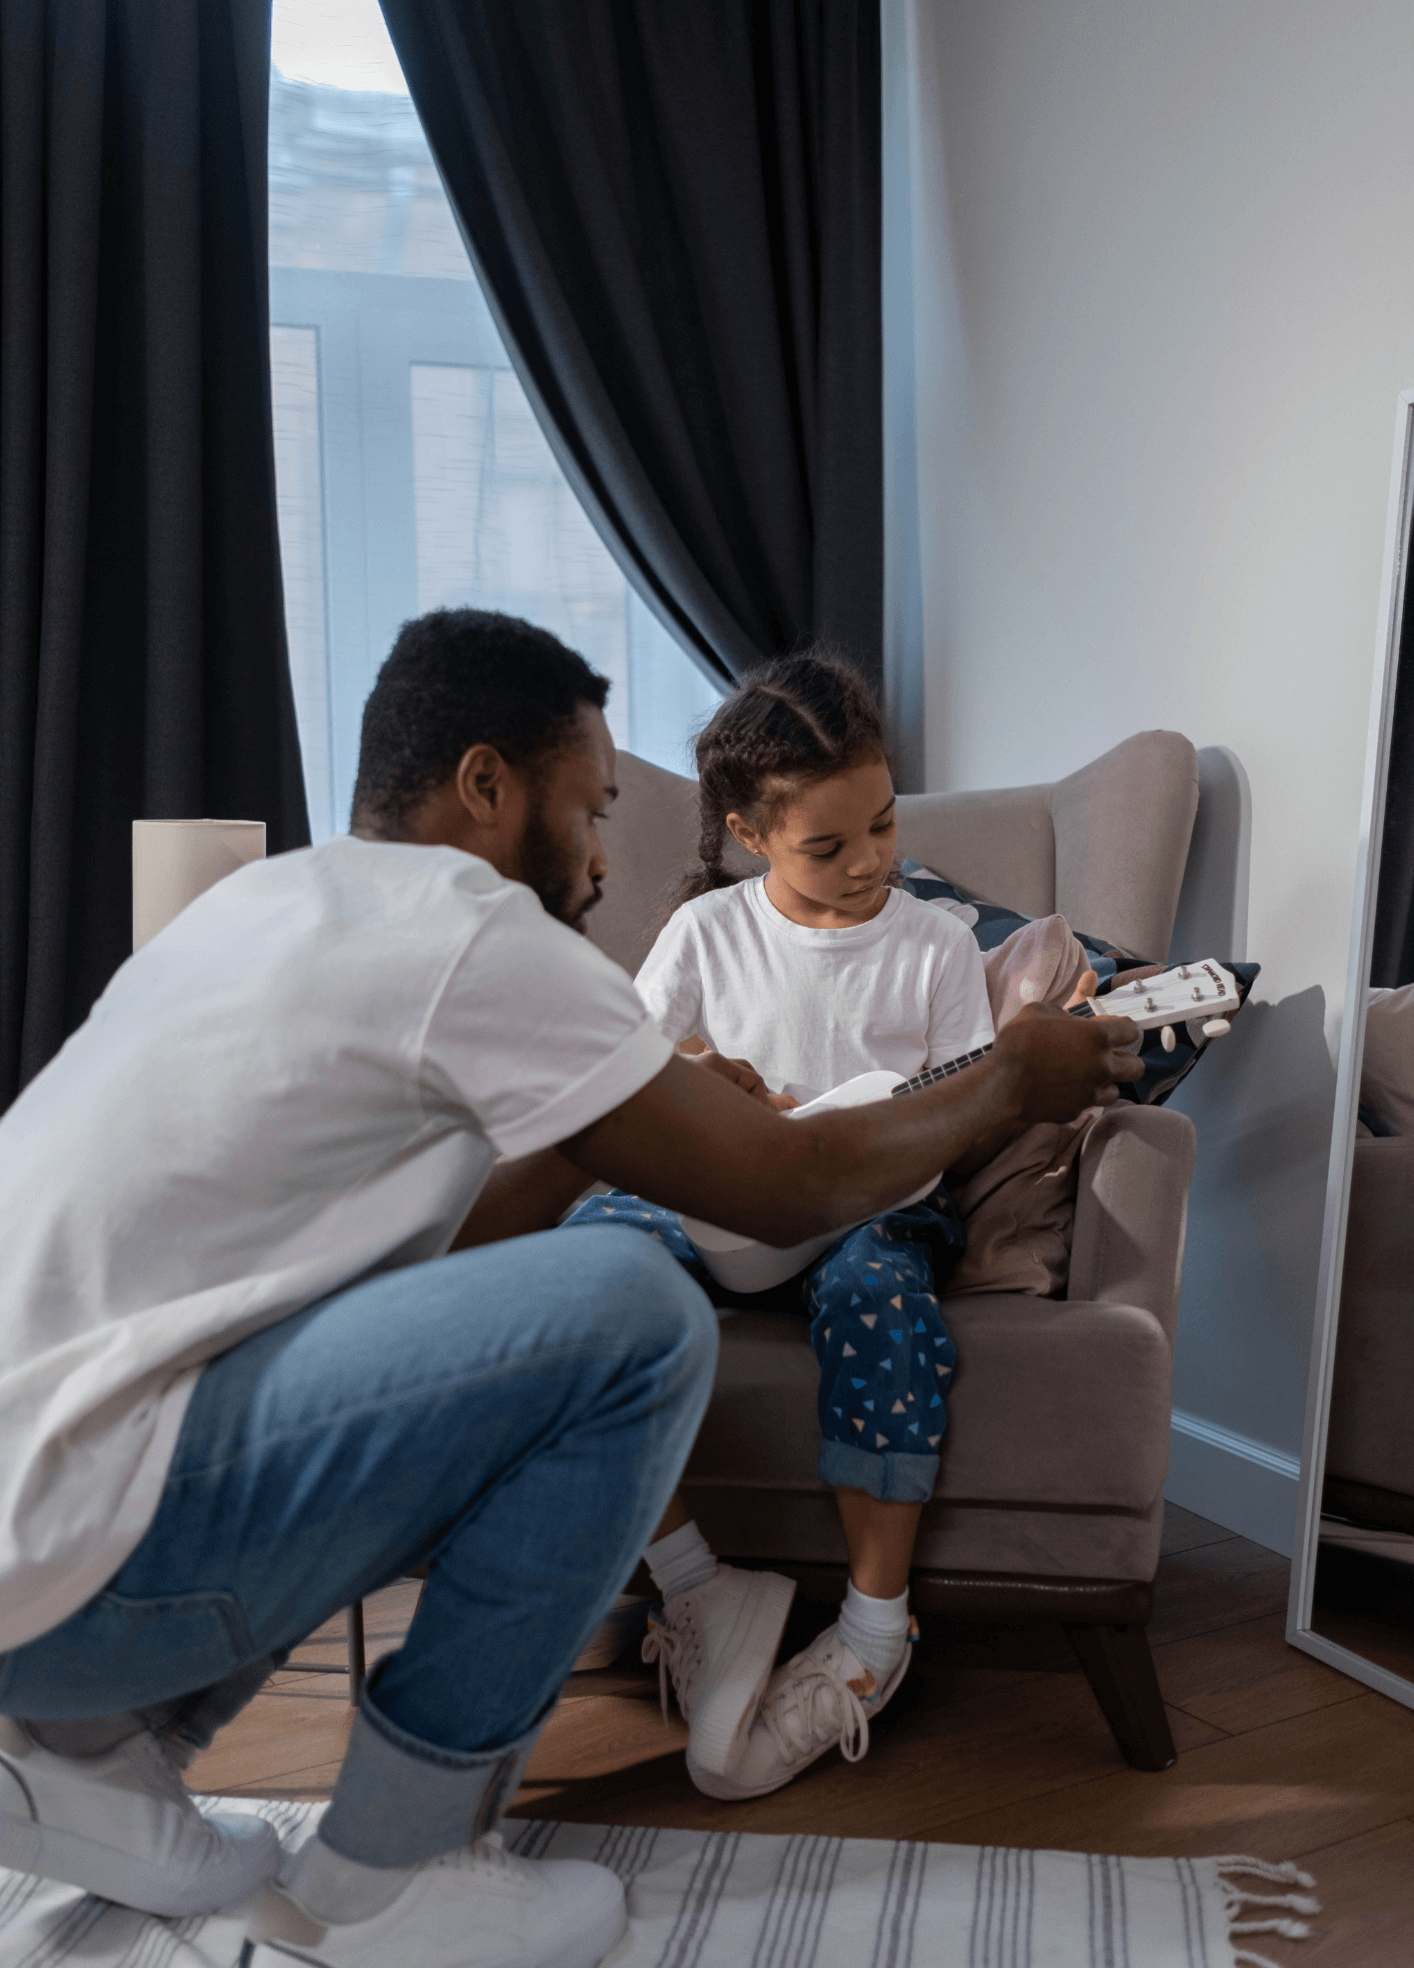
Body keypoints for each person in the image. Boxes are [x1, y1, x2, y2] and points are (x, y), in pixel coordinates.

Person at [0, 610, 1142, 1968]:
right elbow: (778, 1188)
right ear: (487, 786)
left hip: (39, 1585)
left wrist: (630, 1121)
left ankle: (80, 1756)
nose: (607, 858)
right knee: (631, 1315)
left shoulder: (261, 909)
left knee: (419, 1320)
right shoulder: (473, 931)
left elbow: (441, 1264)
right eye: (593, 808)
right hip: (86, 1581)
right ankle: (395, 1872)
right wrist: (1012, 1077)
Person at [559, 652, 1093, 1803]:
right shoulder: (703, 933)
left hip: (871, 1210)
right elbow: (632, 1085)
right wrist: (709, 1087)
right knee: (583, 1271)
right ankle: (696, 1583)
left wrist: (867, 1132)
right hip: (719, 1204)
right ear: (752, 833)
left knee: (878, 1294)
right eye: (828, 845)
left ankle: (871, 1631)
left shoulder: (936, 947)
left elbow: (954, 1119)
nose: (868, 864)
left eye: (882, 827)